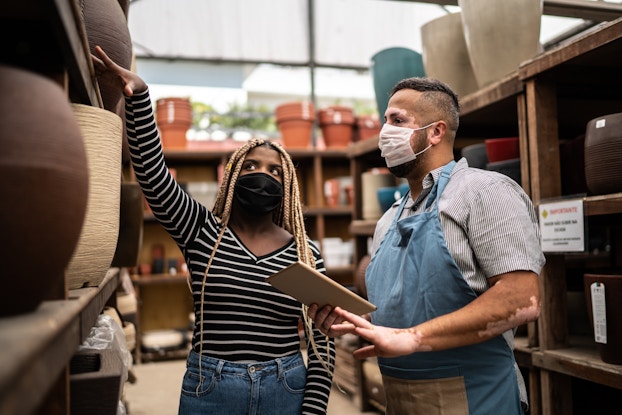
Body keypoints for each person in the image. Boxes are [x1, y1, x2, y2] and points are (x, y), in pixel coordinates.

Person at [92, 46, 335, 415]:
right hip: (212, 389)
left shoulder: (305, 252)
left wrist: (314, 410)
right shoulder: (201, 230)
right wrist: (141, 99)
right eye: (251, 165)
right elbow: (153, 177)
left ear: (287, 187)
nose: (263, 175)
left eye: (275, 171)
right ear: (232, 177)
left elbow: (322, 343)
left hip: (285, 386)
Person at [309, 77, 545, 415]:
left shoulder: (484, 192)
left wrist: (412, 338)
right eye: (385, 121)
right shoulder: (388, 220)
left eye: (398, 121)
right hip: (401, 399)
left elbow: (523, 298)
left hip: (477, 397)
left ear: (435, 132)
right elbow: (405, 307)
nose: (384, 133)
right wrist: (350, 320)